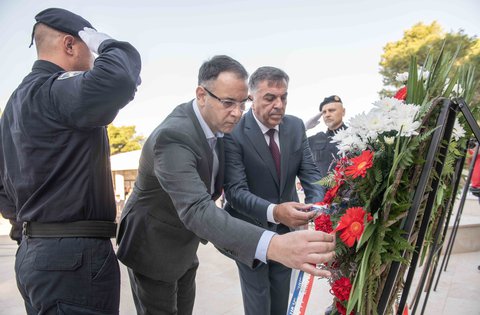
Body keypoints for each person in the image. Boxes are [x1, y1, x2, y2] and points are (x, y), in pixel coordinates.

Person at [116, 56, 335, 315]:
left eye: (242, 104)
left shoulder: (221, 128)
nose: (237, 112)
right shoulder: (174, 135)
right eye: (228, 103)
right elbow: (198, 209)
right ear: (201, 94)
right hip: (153, 245)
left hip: (185, 247)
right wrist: (275, 245)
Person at [0, 8, 141, 314]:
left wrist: (30, 233)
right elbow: (119, 78)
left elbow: (3, 186)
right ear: (69, 45)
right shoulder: (56, 89)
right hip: (72, 256)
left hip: (33, 253)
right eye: (87, 48)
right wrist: (105, 43)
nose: (92, 58)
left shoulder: (14, 104)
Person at [222, 66, 325, 315]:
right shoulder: (233, 133)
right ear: (251, 98)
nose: (279, 104)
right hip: (249, 232)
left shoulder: (296, 127)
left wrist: (319, 208)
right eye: (270, 98)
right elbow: (235, 192)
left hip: (288, 233)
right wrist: (276, 212)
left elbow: (310, 174)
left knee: (281, 299)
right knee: (259, 302)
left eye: (284, 97)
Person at [307, 95, 347, 178]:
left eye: (331, 110)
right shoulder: (314, 140)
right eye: (324, 112)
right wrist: (303, 128)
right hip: (323, 190)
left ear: (343, 112)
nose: (327, 115)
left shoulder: (356, 135)